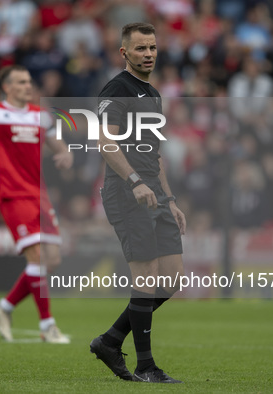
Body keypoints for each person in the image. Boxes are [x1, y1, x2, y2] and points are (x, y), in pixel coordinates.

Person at [89, 23, 186, 383]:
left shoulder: (153, 95)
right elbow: (105, 142)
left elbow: (154, 155)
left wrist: (170, 199)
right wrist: (134, 182)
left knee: (171, 279)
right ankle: (146, 367)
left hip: (155, 195)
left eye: (153, 47)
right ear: (124, 53)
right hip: (127, 192)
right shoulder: (116, 89)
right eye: (141, 48)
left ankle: (110, 341)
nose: (148, 53)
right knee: (146, 279)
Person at [0, 65, 73, 343]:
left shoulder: (41, 117)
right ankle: (47, 326)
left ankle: (4, 308)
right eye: (20, 82)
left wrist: (65, 154)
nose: (27, 86)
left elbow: (57, 144)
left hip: (39, 194)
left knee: (51, 259)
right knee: (38, 257)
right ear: (7, 87)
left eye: (29, 81)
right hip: (13, 195)